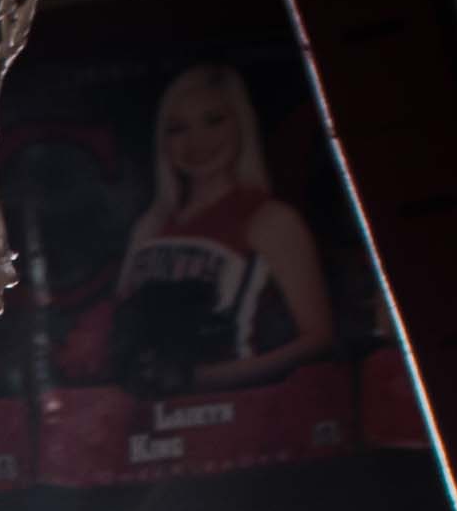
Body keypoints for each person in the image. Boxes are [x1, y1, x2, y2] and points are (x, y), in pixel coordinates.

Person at [99, 57, 335, 400]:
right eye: (177, 128)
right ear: (161, 140)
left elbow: (319, 337)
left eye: (213, 121)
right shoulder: (149, 227)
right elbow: (117, 340)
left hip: (252, 415)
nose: (196, 142)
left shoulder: (271, 220)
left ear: (241, 125)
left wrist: (209, 378)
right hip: (149, 424)